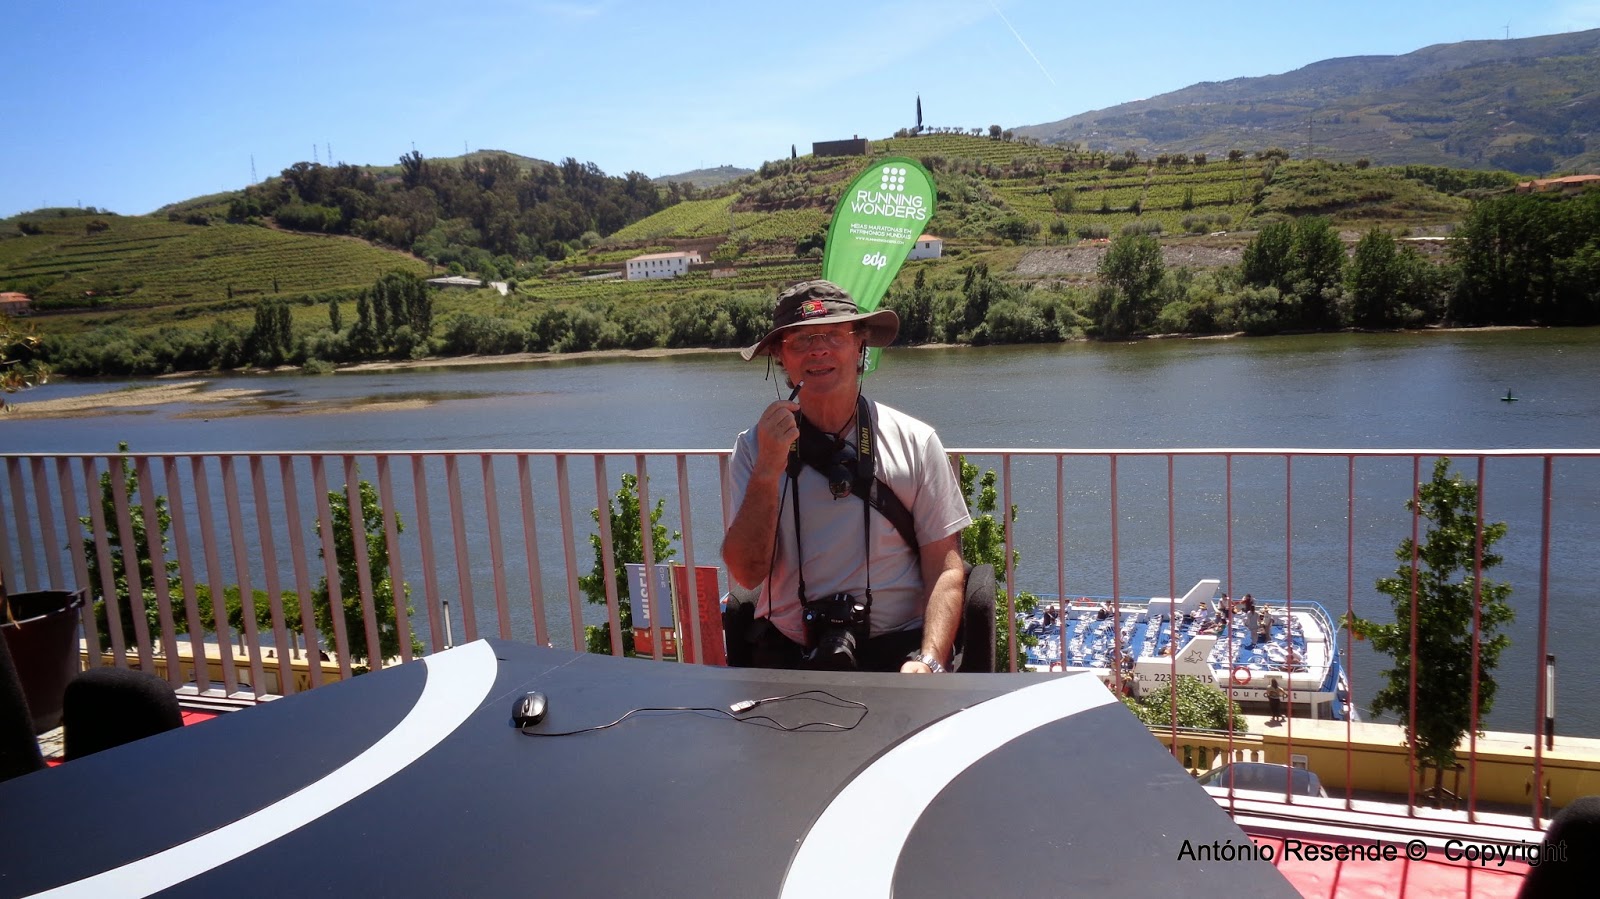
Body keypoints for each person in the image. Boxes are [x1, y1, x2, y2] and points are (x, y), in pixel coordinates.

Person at [722, 280, 972, 673]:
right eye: (800, 340)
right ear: (780, 356)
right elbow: (747, 573)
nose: (818, 349)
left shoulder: (916, 442)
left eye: (834, 335)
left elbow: (946, 568)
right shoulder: (753, 448)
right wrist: (768, 469)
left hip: (899, 656)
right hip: (790, 655)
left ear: (860, 346)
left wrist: (929, 660)